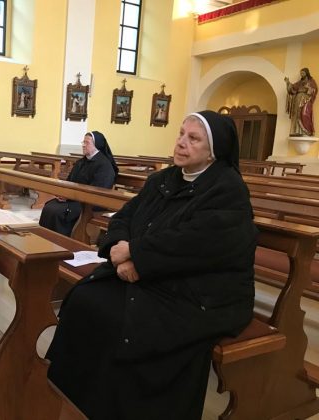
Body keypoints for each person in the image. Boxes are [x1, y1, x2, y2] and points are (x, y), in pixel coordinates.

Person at [46, 111, 257, 420]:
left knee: (123, 323)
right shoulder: (164, 179)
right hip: (156, 274)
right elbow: (124, 217)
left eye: (193, 139)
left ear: (214, 151)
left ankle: (115, 408)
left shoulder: (228, 189)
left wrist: (137, 256)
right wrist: (119, 250)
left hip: (201, 291)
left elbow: (198, 242)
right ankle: (71, 396)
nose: (181, 143)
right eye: (181, 134)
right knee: (84, 299)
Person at [39, 131, 118, 236]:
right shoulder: (81, 162)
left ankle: (60, 240)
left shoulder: (104, 165)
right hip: (75, 199)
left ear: (97, 145)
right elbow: (69, 181)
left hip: (90, 203)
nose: (83, 145)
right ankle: (45, 239)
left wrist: (69, 197)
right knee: (49, 206)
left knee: (57, 210)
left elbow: (98, 191)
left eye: (87, 143)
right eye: (83, 142)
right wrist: (62, 193)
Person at [285, 67, 317, 136]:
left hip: (306, 100)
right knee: (297, 114)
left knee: (305, 114)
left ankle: (306, 131)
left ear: (306, 73)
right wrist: (288, 83)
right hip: (298, 99)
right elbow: (293, 88)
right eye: (301, 73)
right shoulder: (299, 82)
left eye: (303, 73)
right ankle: (297, 131)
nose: (301, 74)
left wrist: (308, 88)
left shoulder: (311, 81)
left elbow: (314, 90)